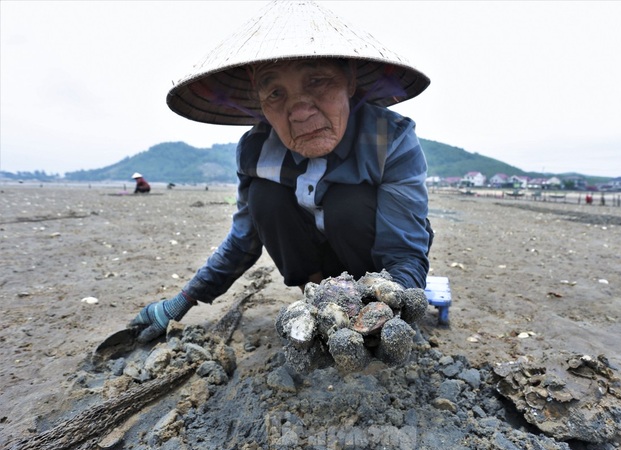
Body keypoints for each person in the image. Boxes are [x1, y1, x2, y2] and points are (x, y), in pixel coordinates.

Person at [130, 0, 433, 342]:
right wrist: (183, 300)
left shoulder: (389, 140)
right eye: (275, 93)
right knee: (265, 196)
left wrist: (392, 301)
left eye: (318, 80)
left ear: (349, 81)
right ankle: (318, 306)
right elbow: (244, 239)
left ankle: (364, 312)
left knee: (346, 202)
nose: (300, 112)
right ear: (260, 102)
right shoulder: (256, 150)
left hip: (374, 270)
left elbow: (404, 251)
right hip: (317, 273)